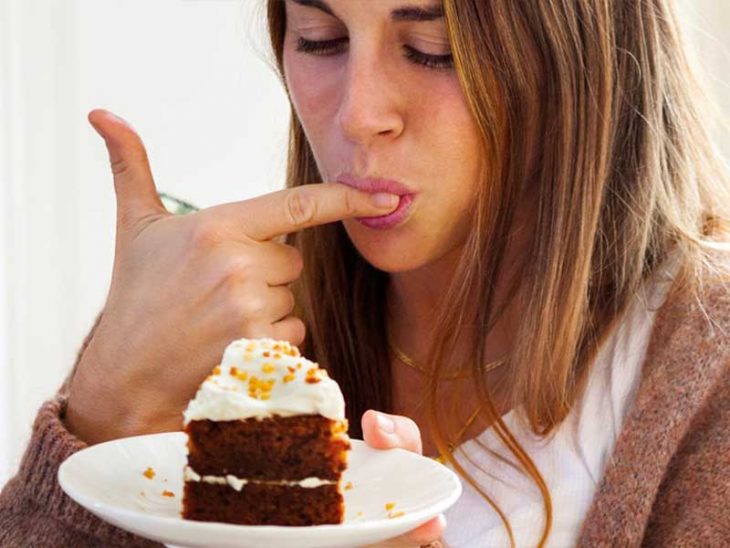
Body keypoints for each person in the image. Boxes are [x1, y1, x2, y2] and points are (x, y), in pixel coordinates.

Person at [1, 0, 729, 546]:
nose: (359, 114)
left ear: (584, 56)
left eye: (431, 48)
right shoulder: (210, 322)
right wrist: (103, 408)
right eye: (320, 39)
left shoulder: (704, 372)